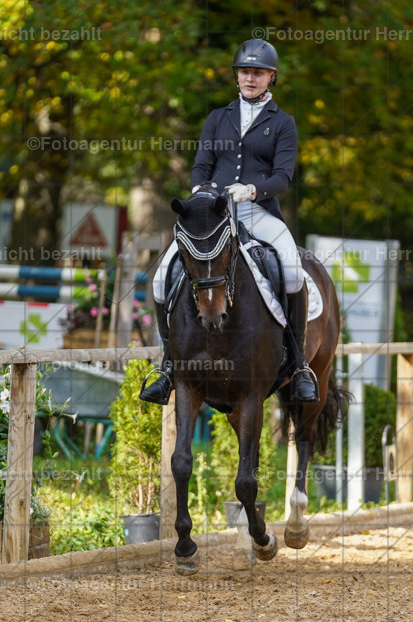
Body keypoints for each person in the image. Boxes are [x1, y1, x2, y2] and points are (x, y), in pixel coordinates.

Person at [139, 38, 319, 405]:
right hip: (214, 212)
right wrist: (203, 192)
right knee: (160, 278)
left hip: (258, 209)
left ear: (271, 77)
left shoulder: (283, 123)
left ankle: (299, 365)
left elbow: (283, 177)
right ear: (236, 76)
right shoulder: (217, 118)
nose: (250, 78)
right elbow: (200, 165)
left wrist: (251, 189)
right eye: (244, 72)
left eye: (258, 73)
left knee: (292, 268)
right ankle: (167, 365)